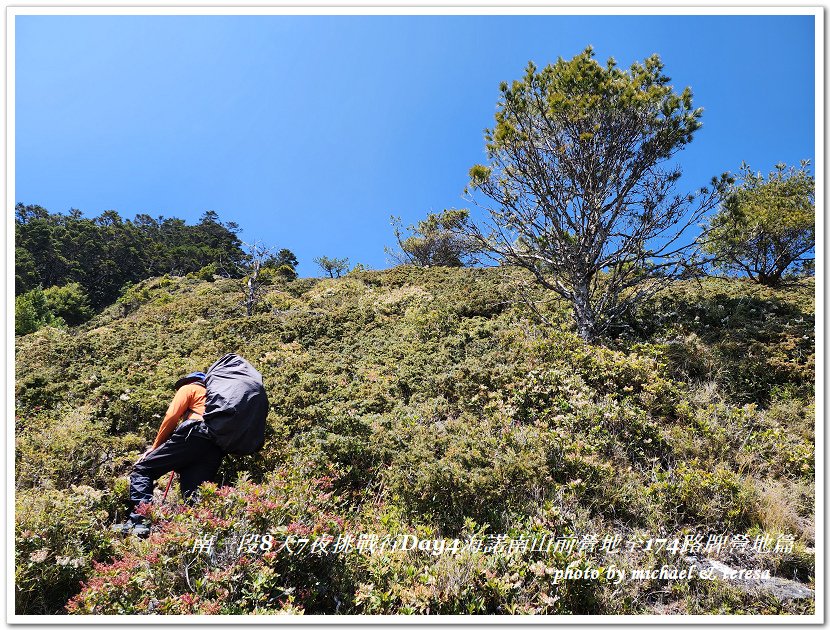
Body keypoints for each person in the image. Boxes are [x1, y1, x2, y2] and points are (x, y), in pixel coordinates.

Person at [112, 371, 225, 537]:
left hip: (193, 433)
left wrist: (155, 447)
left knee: (143, 469)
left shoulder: (191, 388)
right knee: (194, 493)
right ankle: (198, 535)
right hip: (215, 445)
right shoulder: (217, 398)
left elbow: (171, 416)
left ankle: (139, 522)